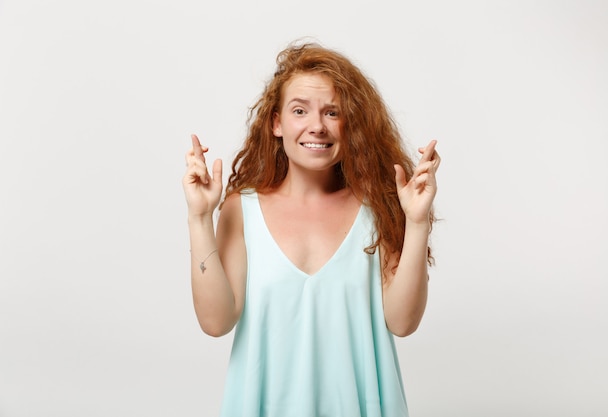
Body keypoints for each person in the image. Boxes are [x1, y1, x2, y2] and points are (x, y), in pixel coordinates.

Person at [182, 41, 441, 417]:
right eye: (300, 110)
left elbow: (402, 323)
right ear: (276, 123)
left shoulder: (376, 208)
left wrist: (416, 223)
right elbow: (215, 322)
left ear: (349, 122)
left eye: (332, 112)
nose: (316, 126)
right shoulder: (242, 209)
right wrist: (199, 218)